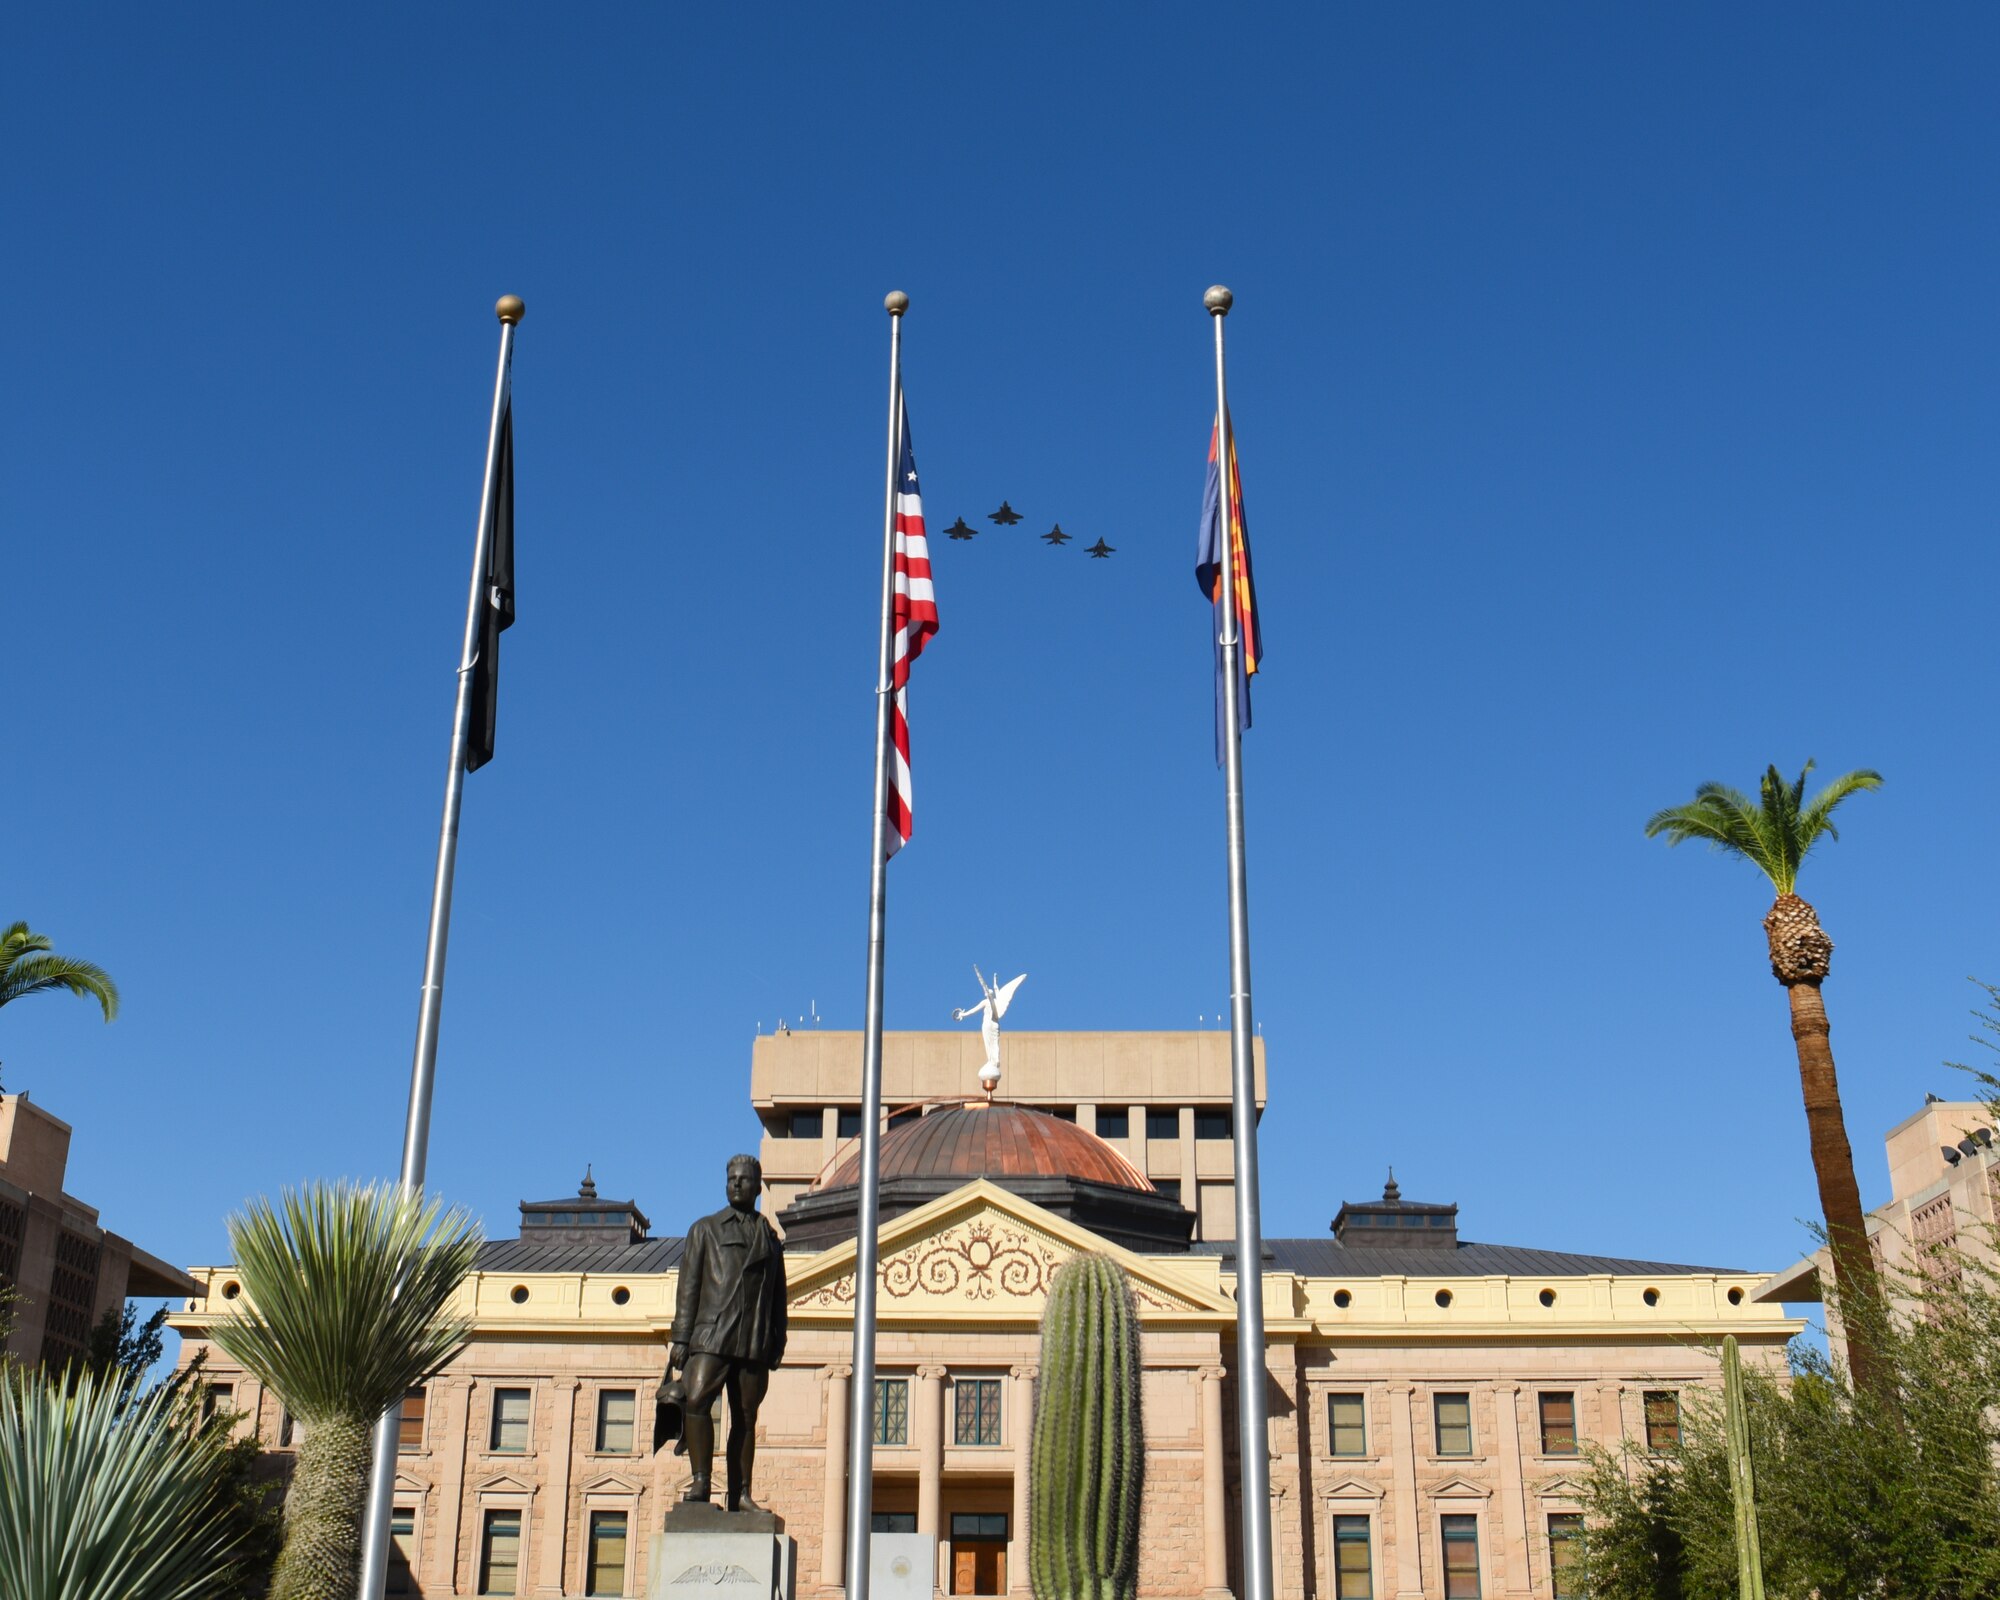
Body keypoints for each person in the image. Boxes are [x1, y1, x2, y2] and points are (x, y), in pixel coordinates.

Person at [660, 1154, 788, 1510]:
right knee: (697, 1399)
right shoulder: (706, 1229)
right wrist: (681, 1337)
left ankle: (741, 1494)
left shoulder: (769, 1237)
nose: (735, 1183)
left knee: (746, 1417)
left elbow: (779, 1294)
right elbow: (689, 1287)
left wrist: (779, 1337)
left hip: (752, 1340)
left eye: (743, 1179)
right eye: (731, 1178)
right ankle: (701, 1481)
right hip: (712, 1335)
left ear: (757, 1187)